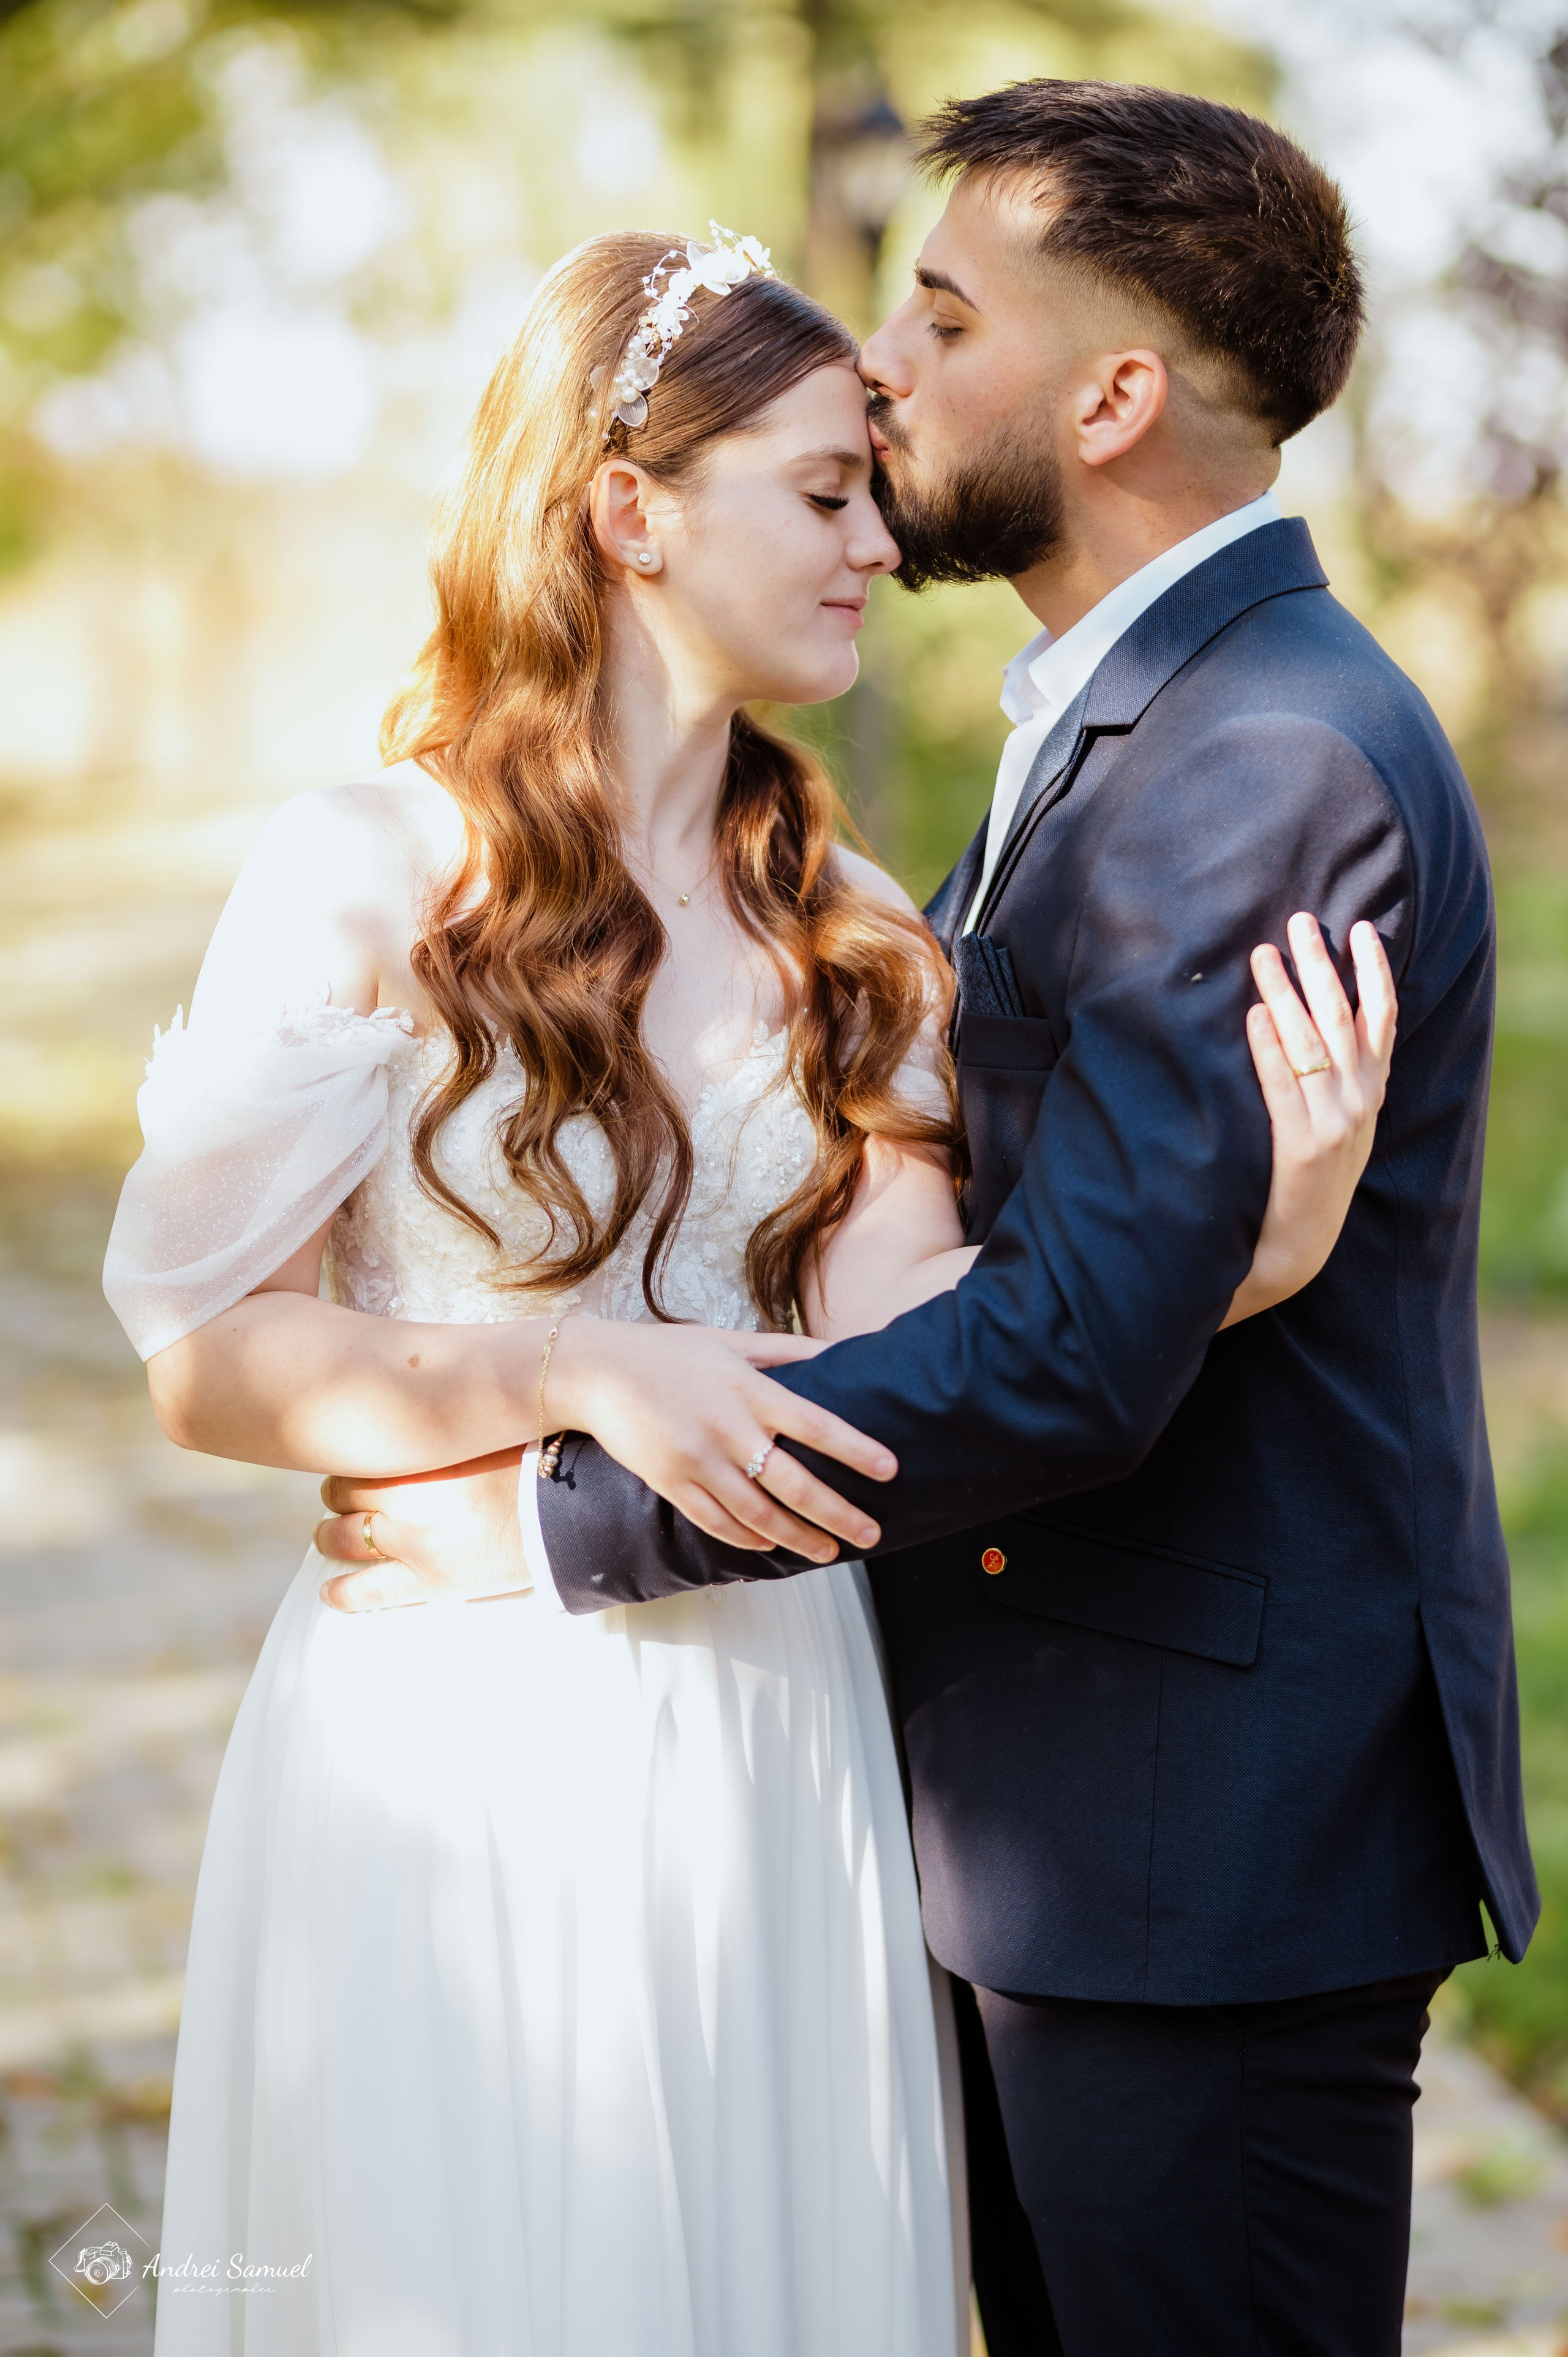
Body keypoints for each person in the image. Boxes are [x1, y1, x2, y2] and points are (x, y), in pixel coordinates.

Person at [315, 84, 1538, 2357]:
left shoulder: (1263, 761)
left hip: (1202, 1860)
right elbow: (1049, 1250)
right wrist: (1215, 1267)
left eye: (944, 315)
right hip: (1057, 1820)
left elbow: (1073, 1349)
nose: (879, 364)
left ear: (1111, 396)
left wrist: (563, 1526)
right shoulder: (1123, 719)